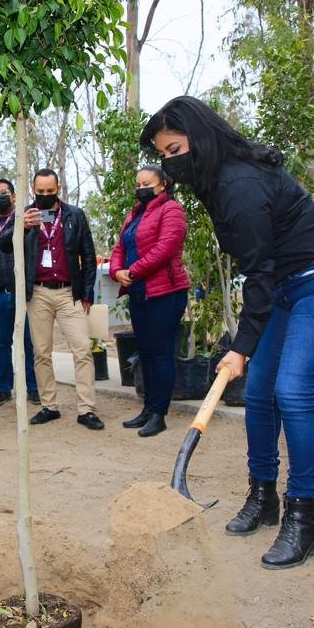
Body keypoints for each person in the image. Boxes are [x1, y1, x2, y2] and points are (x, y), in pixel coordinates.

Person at [142, 95, 314, 569]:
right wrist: (244, 350)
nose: (170, 162)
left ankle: (303, 516)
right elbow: (265, 272)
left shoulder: (239, 183)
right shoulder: (215, 180)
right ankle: (263, 494)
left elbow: (259, 273)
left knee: (293, 391)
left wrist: (240, 346)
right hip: (289, 285)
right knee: (260, 393)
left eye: (174, 150)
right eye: (164, 155)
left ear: (200, 139)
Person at [2, 169, 104, 431]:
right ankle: (49, 406)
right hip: (38, 293)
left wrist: (88, 292)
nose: (45, 196)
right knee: (41, 352)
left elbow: (89, 256)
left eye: (50, 191)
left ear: (58, 188)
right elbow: (4, 245)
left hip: (69, 292)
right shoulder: (25, 214)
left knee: (82, 349)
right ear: (33, 189)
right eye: (40, 192)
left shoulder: (74, 215)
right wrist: (22, 227)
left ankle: (86, 409)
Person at [109, 165, 190, 437]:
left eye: (148, 183)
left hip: (165, 293)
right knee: (145, 353)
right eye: (138, 183)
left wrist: (132, 271)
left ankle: (159, 414)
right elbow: (120, 247)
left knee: (161, 354)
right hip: (138, 292)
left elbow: (165, 249)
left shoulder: (172, 211)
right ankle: (147, 408)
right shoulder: (134, 213)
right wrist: (116, 271)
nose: (141, 187)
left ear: (163, 185)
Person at [0, 178, 40, 407]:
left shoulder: (28, 219)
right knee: (1, 342)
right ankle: (3, 389)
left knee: (28, 342)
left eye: (4, 192)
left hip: (23, 293)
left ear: (14, 196)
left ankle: (33, 388)